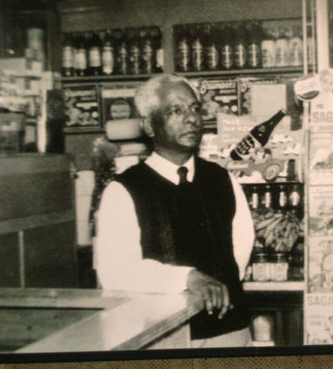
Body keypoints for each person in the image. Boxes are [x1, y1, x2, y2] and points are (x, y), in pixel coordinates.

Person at [96, 74, 255, 348]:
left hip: (229, 333)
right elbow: (115, 273)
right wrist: (185, 278)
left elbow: (240, 249)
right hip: (161, 338)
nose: (191, 118)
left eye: (195, 109)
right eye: (176, 111)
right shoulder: (124, 190)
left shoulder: (222, 179)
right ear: (149, 124)